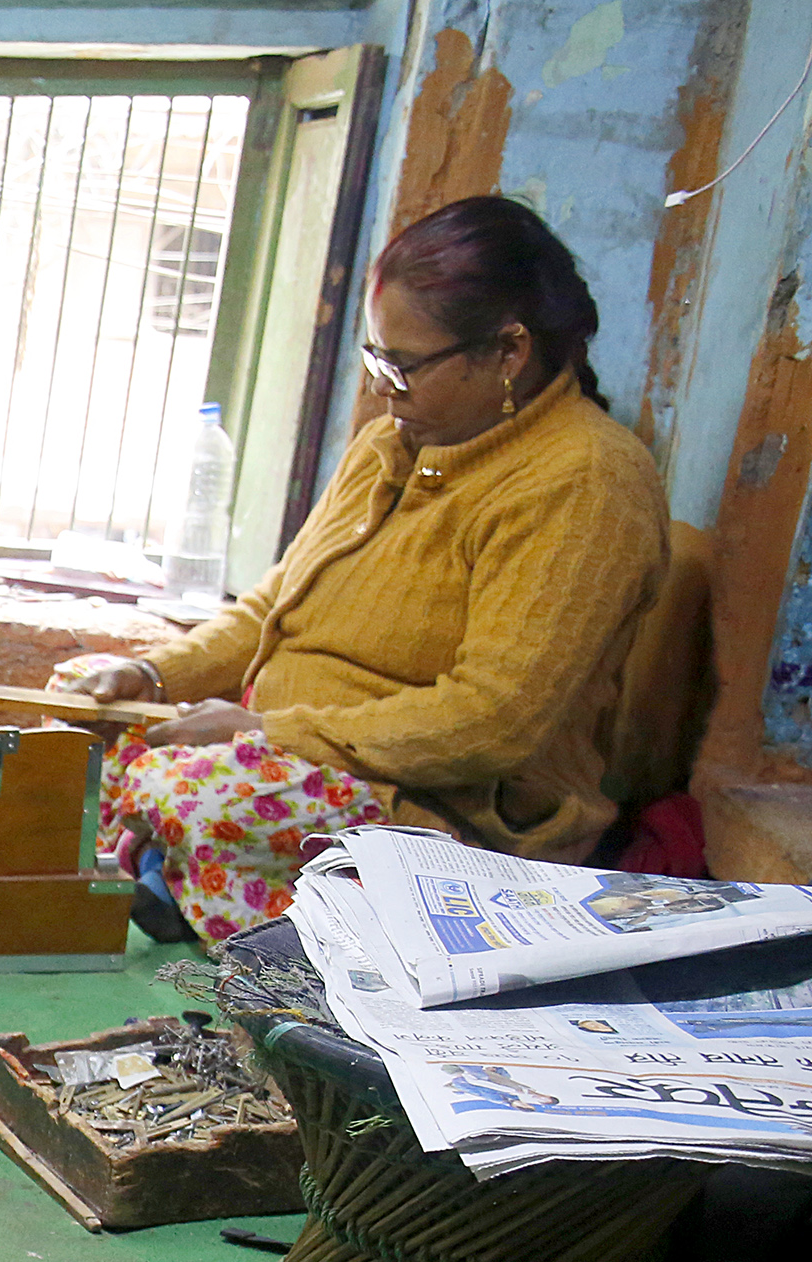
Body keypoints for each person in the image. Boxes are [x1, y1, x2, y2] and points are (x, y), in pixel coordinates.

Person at [48, 195, 667, 946]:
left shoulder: (586, 481)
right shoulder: (387, 445)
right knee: (100, 738)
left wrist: (270, 732)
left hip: (450, 806)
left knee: (194, 793)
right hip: (298, 755)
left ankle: (174, 882)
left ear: (509, 351)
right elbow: (271, 607)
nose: (380, 386)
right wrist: (152, 677)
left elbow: (493, 720)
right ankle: (168, 880)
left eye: (404, 365)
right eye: (376, 357)